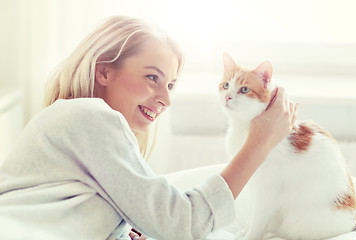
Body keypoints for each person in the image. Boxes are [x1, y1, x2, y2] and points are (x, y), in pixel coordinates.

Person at [0, 16, 297, 240]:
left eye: (170, 85)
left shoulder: (75, 127)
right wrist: (260, 143)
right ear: (104, 71)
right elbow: (182, 223)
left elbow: (62, 217)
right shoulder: (89, 116)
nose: (166, 99)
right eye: (152, 78)